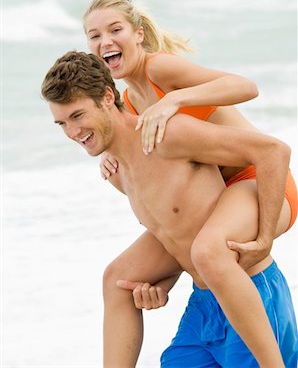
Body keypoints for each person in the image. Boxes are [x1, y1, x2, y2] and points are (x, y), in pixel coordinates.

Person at [41, 51, 297, 368]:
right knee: (116, 279)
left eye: (78, 116)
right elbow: (179, 229)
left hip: (253, 300)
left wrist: (265, 238)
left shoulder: (167, 135)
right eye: (61, 123)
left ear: (108, 97)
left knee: (207, 252)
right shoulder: (118, 172)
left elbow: (274, 151)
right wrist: (162, 283)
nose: (72, 132)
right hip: (203, 307)